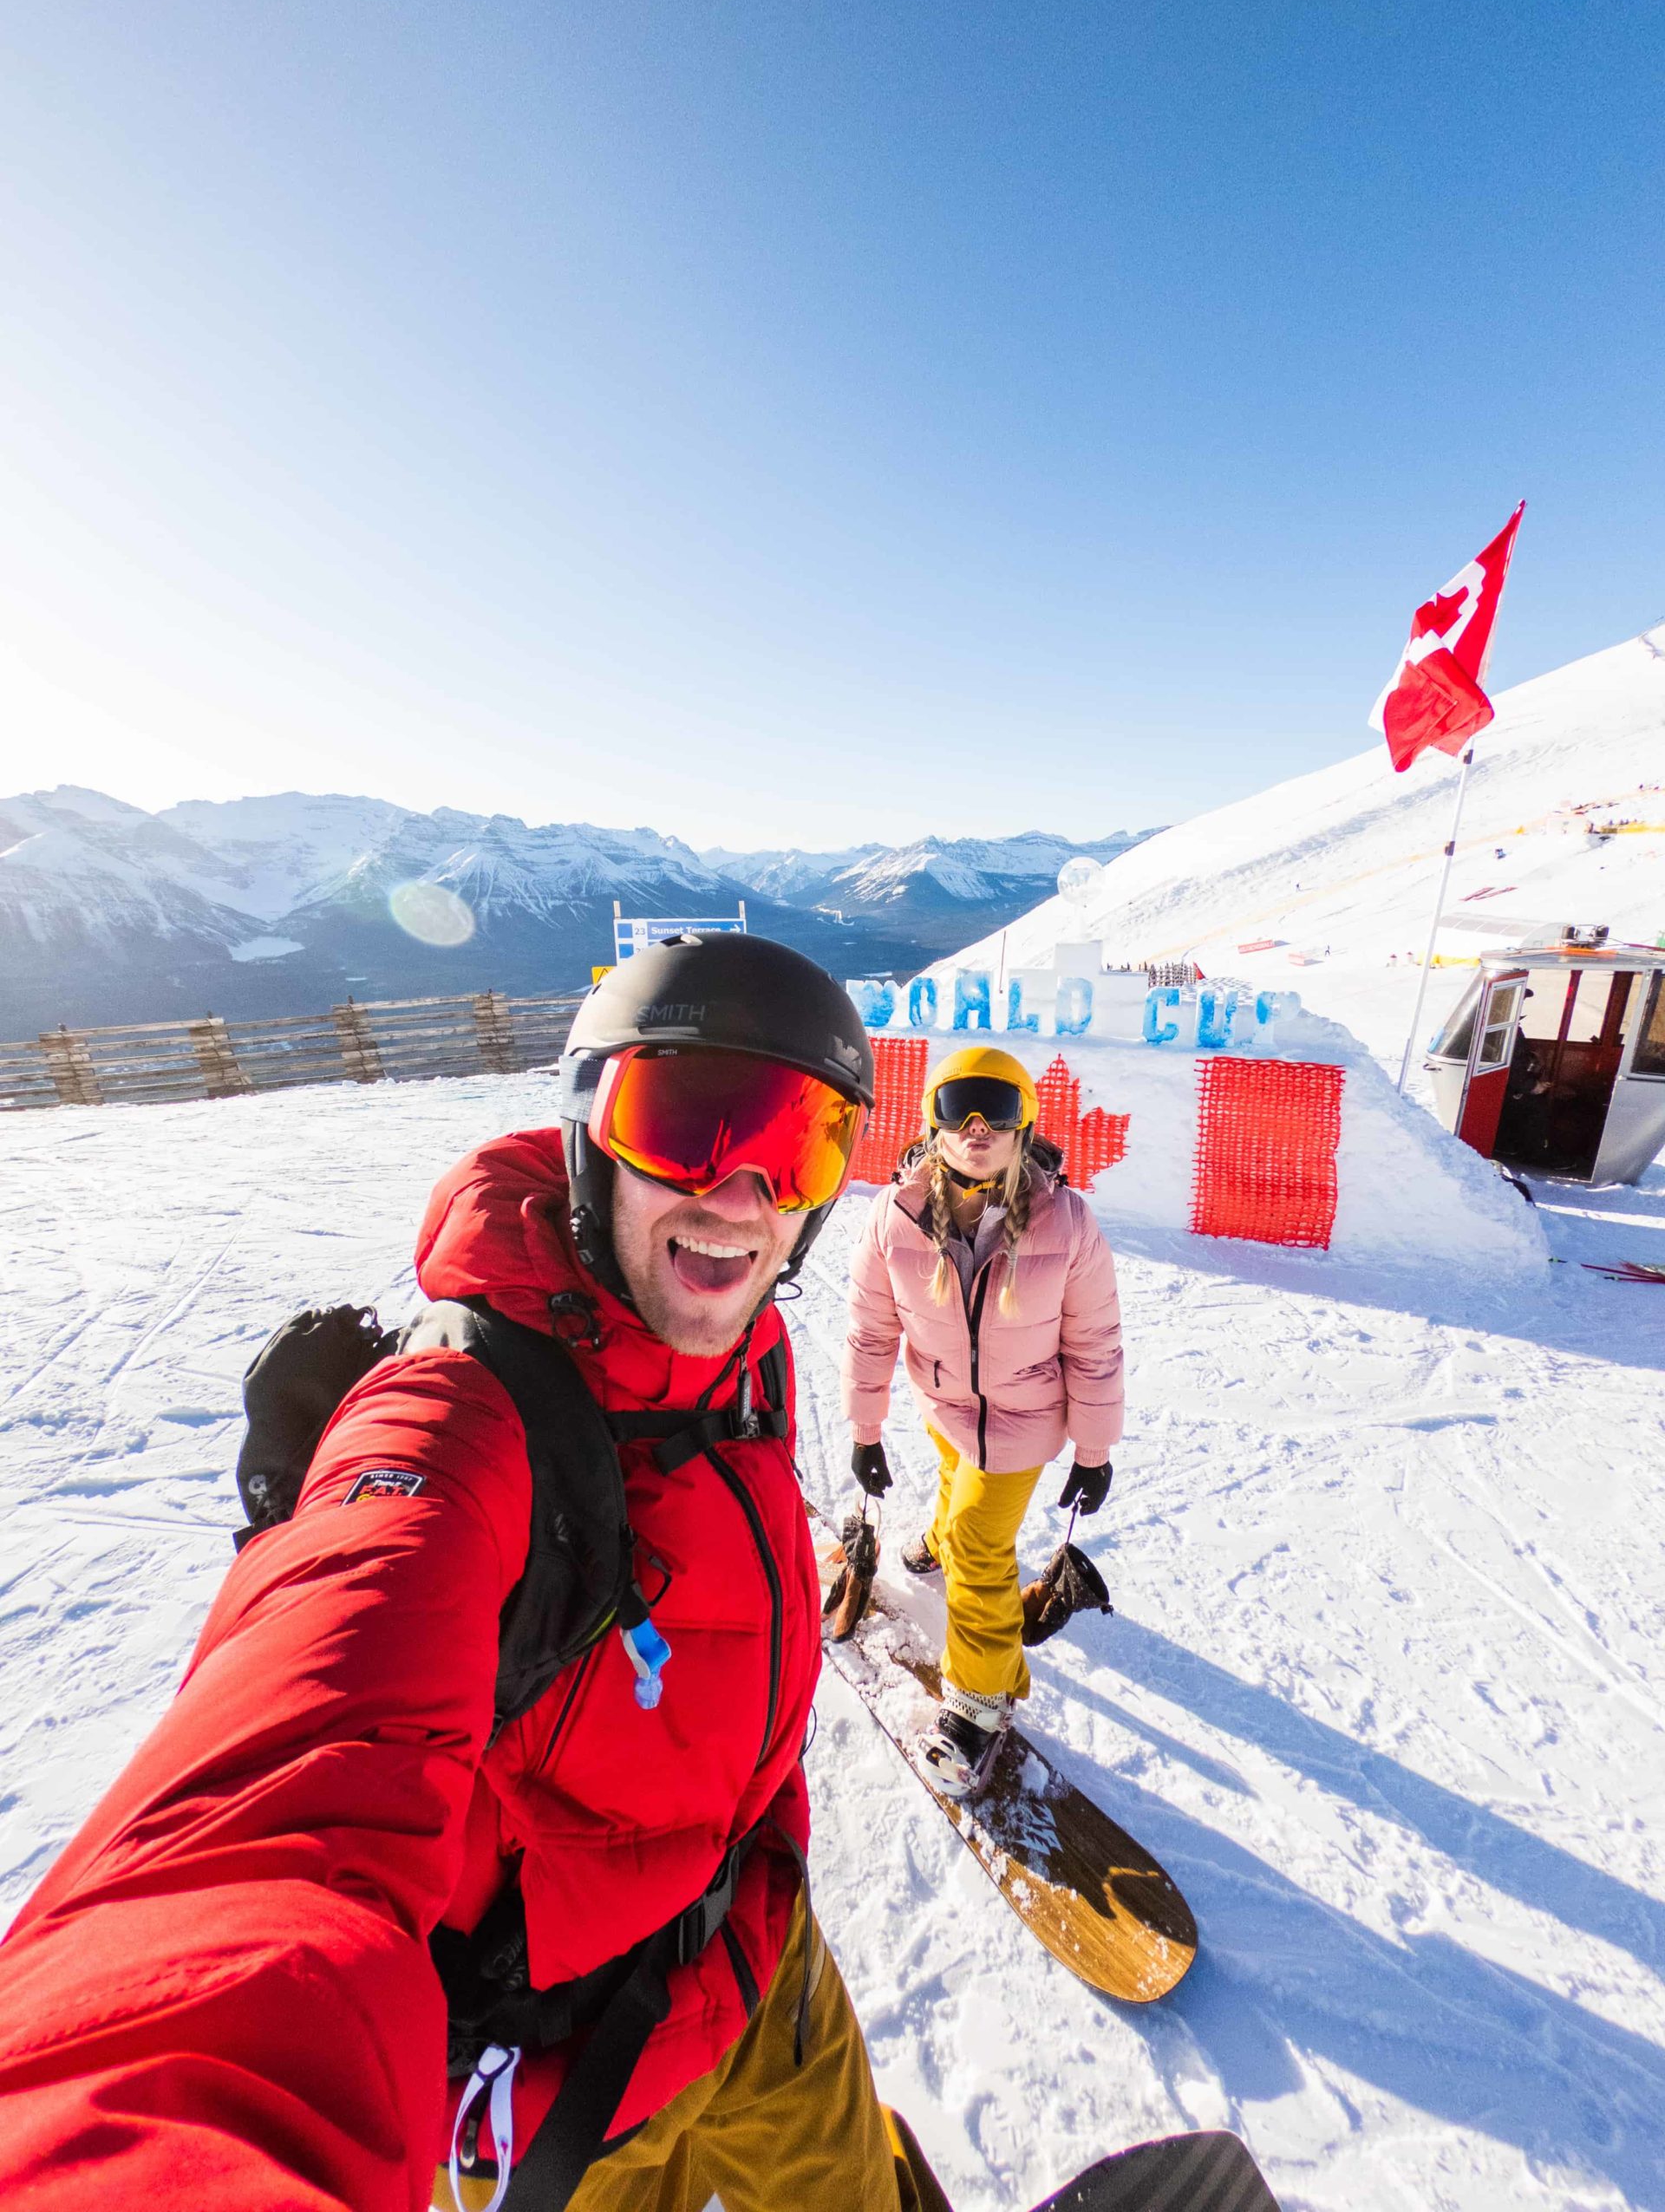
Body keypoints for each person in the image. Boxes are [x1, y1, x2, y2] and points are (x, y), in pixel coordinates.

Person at [0, 934, 949, 2212]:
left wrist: (767, 1870)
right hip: (573, 2093)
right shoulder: (462, 1423)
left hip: (757, 1963)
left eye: (798, 1142)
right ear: (588, 1131)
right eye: (682, 1125)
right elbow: (259, 1832)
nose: (740, 1195)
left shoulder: (743, 1358)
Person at [841, 1045, 1124, 1798]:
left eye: (996, 1109)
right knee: (948, 1479)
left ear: (1023, 1125)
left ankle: (980, 1701)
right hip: (946, 1404)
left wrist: (1093, 1450)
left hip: (1025, 1416)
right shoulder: (893, 1218)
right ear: (932, 1119)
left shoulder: (1066, 1222)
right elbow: (871, 1333)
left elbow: (1094, 1342)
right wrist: (866, 1431)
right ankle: (935, 1542)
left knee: (977, 1540)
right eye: (958, 1104)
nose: (976, 1125)